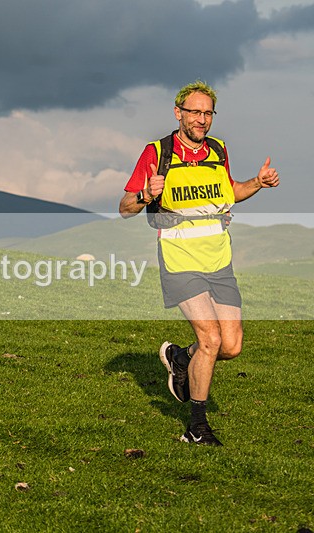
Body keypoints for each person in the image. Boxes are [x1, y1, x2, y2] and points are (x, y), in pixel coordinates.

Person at [119, 81, 279, 446]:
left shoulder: (218, 150)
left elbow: (229, 192)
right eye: (195, 112)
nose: (201, 119)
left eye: (207, 112)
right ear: (179, 113)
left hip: (219, 261)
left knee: (231, 346)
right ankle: (196, 426)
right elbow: (125, 207)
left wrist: (257, 182)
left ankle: (180, 358)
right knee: (210, 339)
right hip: (179, 260)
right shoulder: (157, 152)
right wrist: (146, 195)